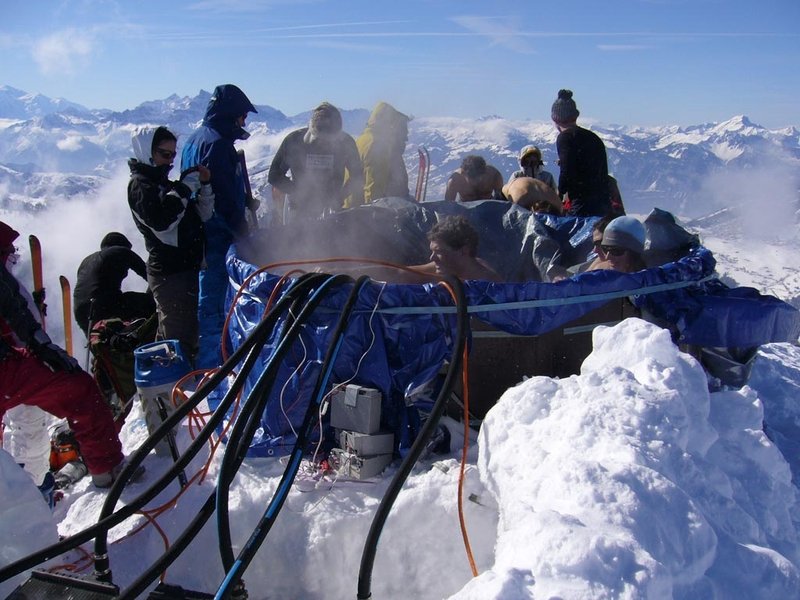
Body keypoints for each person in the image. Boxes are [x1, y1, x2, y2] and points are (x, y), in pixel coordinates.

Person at [0, 221, 127, 488]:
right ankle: (105, 470)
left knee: (74, 392)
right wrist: (40, 344)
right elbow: (13, 306)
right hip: (8, 367)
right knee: (77, 390)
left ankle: (29, 503)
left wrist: (37, 341)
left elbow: (12, 305)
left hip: (10, 364)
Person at [180, 84, 257, 369]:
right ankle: (213, 371)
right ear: (230, 115)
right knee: (216, 303)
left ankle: (213, 363)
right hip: (217, 236)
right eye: (241, 116)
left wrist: (246, 202)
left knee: (210, 300)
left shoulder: (196, 139)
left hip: (203, 234)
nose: (244, 123)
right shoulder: (218, 145)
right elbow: (224, 200)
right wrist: (245, 233)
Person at [129, 126, 214, 364]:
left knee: (179, 332)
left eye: (172, 155)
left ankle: (170, 387)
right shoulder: (141, 186)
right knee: (179, 340)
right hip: (170, 273)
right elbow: (161, 222)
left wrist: (203, 187)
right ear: (147, 152)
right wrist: (184, 188)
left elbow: (200, 216)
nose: (169, 161)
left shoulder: (161, 183)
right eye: (164, 154)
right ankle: (176, 391)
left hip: (183, 269)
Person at [269, 101, 365, 219]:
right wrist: (297, 191)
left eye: (330, 141)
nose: (325, 145)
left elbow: (358, 176)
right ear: (313, 131)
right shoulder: (294, 141)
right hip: (299, 211)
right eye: (320, 140)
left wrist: (339, 196)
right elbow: (274, 175)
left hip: (332, 211)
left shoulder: (346, 143)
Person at [73, 232, 155, 335]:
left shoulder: (85, 262)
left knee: (98, 340)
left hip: (81, 314)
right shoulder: (120, 251)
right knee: (149, 303)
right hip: (105, 305)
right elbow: (152, 275)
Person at [551, 89, 612, 217]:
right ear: (575, 116)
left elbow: (566, 170)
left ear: (556, 118)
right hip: (603, 202)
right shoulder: (592, 137)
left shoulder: (565, 138)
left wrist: (559, 193)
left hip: (582, 203)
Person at [346, 101, 410, 207]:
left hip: (352, 211)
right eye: (402, 131)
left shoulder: (364, 140)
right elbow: (374, 193)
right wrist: (374, 220)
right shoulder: (377, 147)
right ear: (390, 128)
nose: (405, 137)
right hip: (361, 216)